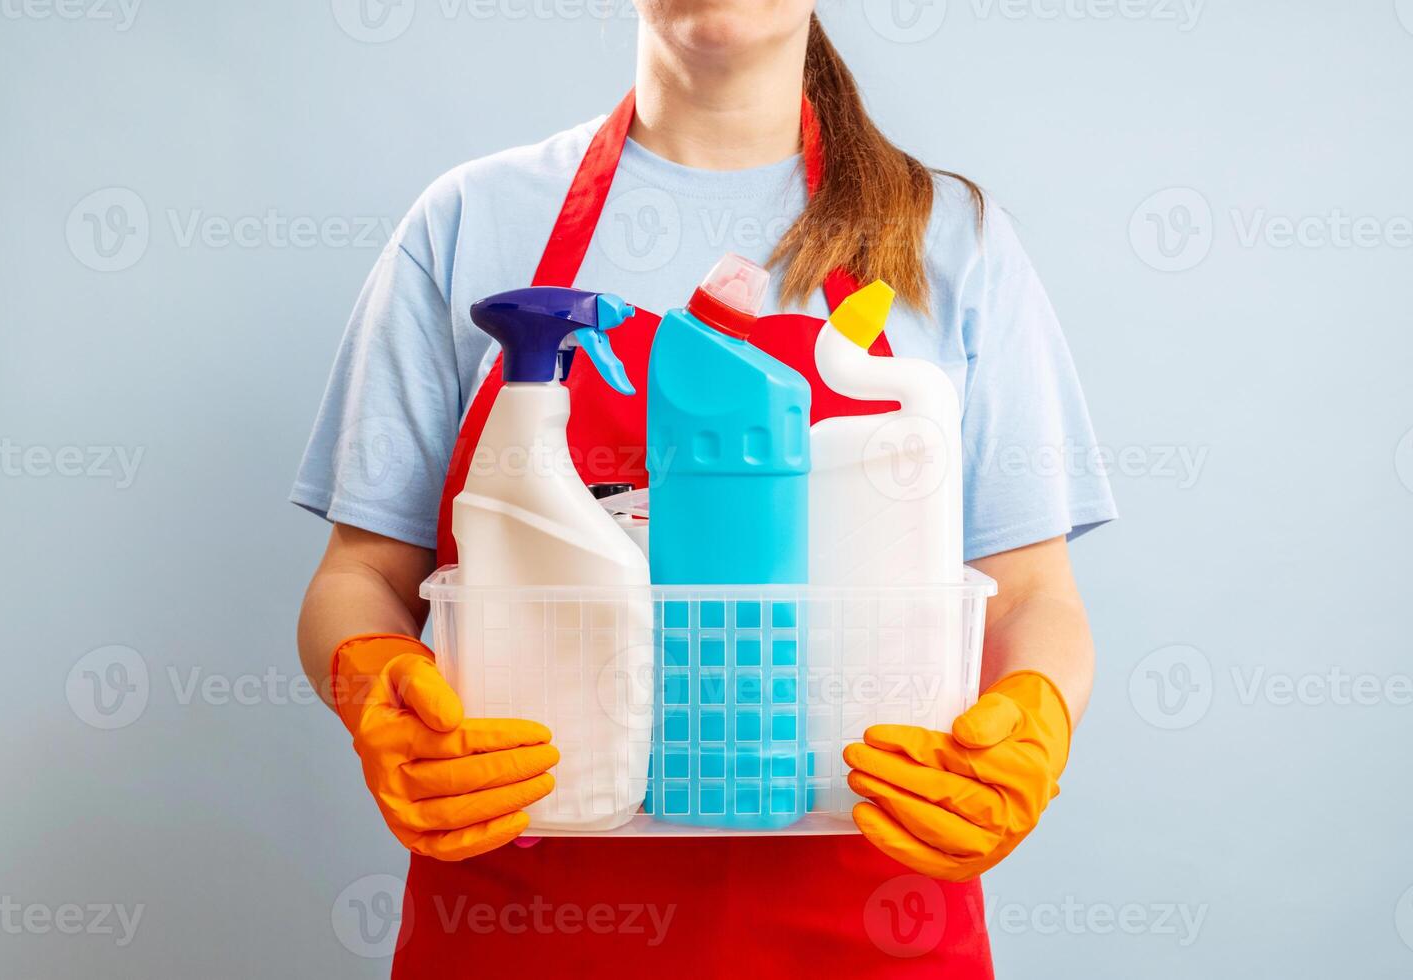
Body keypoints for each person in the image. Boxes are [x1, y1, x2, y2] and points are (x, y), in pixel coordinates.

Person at [292, 2, 1116, 975]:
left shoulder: (949, 240)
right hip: (520, 923)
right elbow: (365, 573)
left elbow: (1027, 593)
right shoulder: (471, 220)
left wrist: (1033, 722)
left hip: (872, 923)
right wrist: (374, 688)